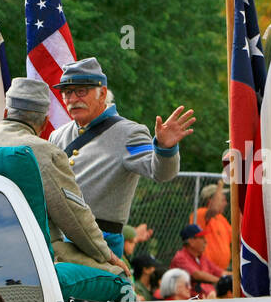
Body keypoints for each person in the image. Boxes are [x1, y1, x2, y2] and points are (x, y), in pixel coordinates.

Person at [0, 77, 129, 276]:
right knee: (119, 277)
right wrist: (106, 254)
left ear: (6, 113)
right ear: (45, 122)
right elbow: (73, 216)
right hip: (38, 251)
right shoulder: (44, 152)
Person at [47, 57, 195, 255]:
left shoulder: (129, 134)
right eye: (67, 92)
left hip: (99, 244)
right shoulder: (58, 136)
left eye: (81, 91)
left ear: (103, 94)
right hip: (56, 241)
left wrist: (165, 148)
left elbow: (160, 173)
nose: (73, 99)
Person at [170, 223, 223, 298]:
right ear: (191, 241)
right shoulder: (180, 257)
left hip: (204, 299)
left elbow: (220, 272)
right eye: (201, 238)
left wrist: (235, 277)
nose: (205, 241)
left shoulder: (201, 257)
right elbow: (197, 275)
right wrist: (222, 282)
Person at [191, 180, 231, 272]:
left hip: (221, 271)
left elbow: (236, 236)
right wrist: (220, 185)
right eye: (222, 199)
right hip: (206, 270)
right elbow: (214, 209)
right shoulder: (199, 214)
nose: (226, 203)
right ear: (210, 201)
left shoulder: (221, 218)